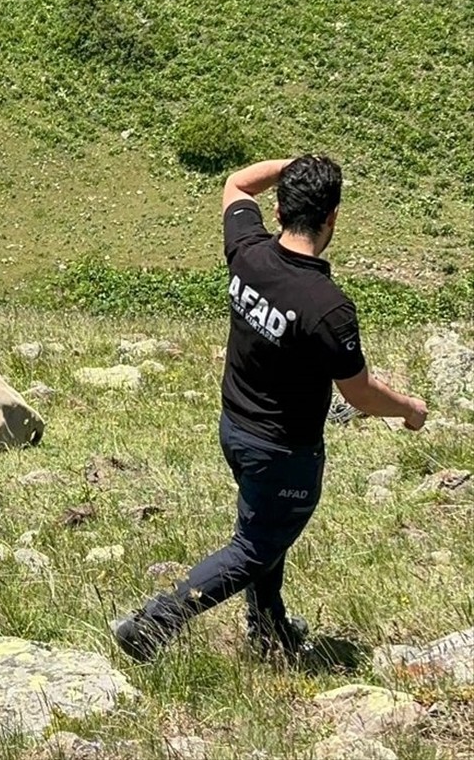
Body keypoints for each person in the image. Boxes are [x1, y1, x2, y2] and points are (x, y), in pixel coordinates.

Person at [111, 155, 428, 662]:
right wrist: (410, 408)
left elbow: (235, 183)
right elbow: (359, 393)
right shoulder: (327, 306)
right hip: (283, 450)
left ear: (278, 209)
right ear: (333, 218)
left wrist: (292, 164)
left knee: (264, 525)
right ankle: (153, 624)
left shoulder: (248, 252)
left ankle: (269, 627)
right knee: (255, 546)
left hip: (235, 427)